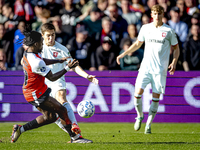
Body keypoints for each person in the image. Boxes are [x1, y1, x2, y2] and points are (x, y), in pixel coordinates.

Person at [10, 28, 89, 143]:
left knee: (50, 117)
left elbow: (43, 59)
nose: (43, 45)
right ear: (36, 44)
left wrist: (58, 60)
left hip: (35, 90)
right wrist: (67, 67)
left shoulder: (29, 52)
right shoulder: (36, 62)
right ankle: (75, 138)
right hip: (35, 93)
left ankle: (20, 129)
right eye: (41, 43)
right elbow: (52, 77)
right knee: (62, 110)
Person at [116, 5, 180, 134]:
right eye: (155, 13)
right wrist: (123, 53)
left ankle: (149, 124)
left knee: (155, 98)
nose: (157, 16)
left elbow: (176, 48)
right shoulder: (145, 28)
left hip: (160, 71)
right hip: (145, 68)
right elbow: (138, 44)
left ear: (163, 14)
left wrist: (174, 62)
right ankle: (139, 116)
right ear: (151, 14)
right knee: (137, 95)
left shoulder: (168, 31)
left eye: (159, 13)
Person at [40, 23, 98, 142]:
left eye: (53, 35)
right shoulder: (37, 48)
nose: (51, 38)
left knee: (61, 98)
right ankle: (74, 136)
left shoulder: (62, 49)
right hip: (41, 83)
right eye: (48, 36)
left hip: (57, 80)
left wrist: (87, 76)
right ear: (42, 35)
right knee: (51, 116)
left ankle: (74, 125)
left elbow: (74, 65)